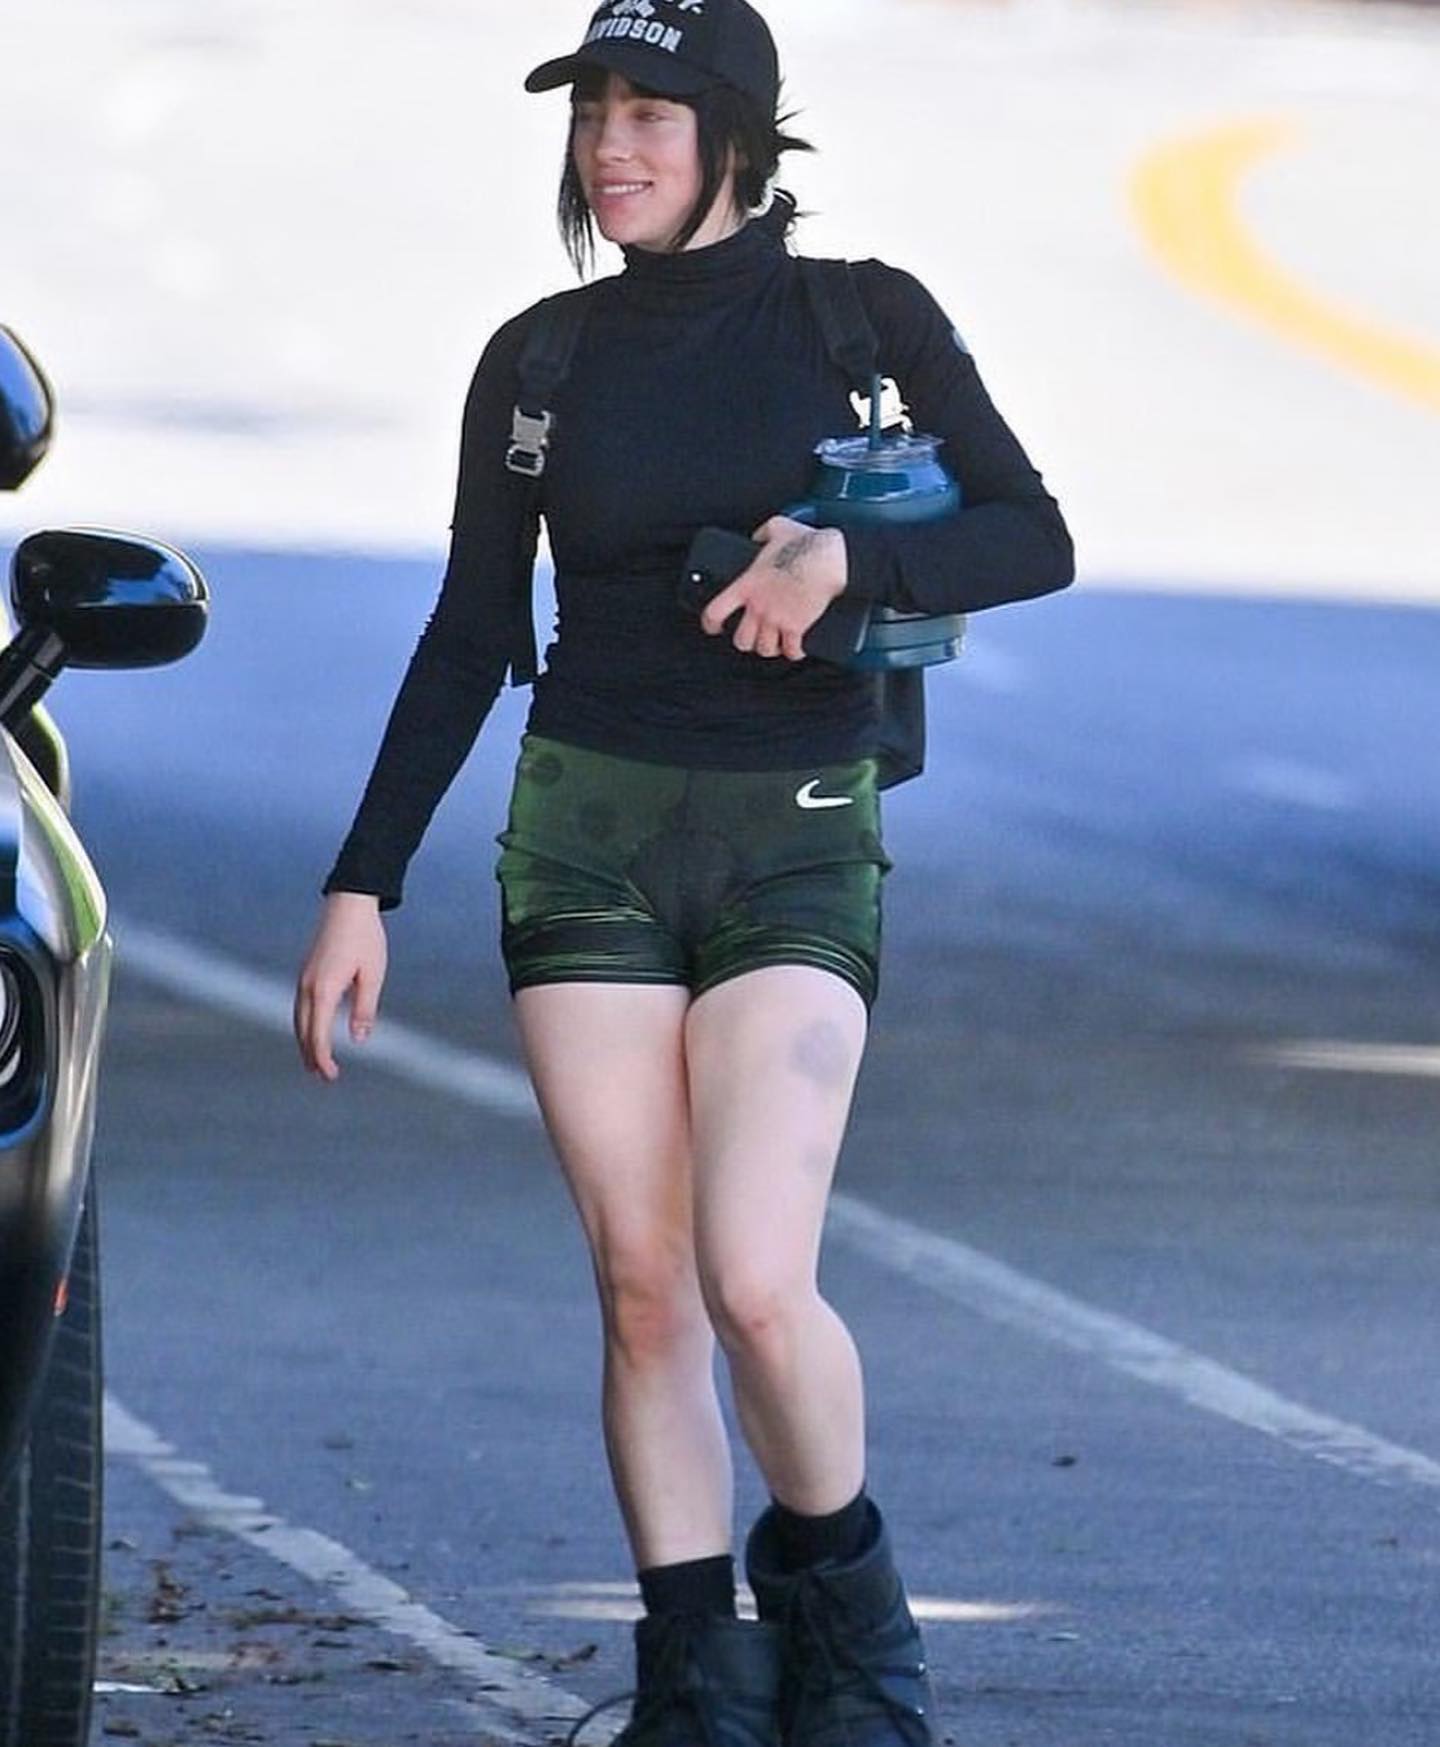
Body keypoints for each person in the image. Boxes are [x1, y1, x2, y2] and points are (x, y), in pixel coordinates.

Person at [294, 3, 1074, 1743]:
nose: (610, 147)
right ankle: (695, 1689)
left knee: (755, 1284)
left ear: (738, 135)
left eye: (651, 113)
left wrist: (842, 556)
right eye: (593, 112)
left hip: (793, 833)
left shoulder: (863, 319)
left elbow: (1034, 534)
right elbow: (472, 631)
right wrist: (363, 883)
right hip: (586, 834)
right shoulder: (540, 360)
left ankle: (852, 1630)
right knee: (644, 1287)